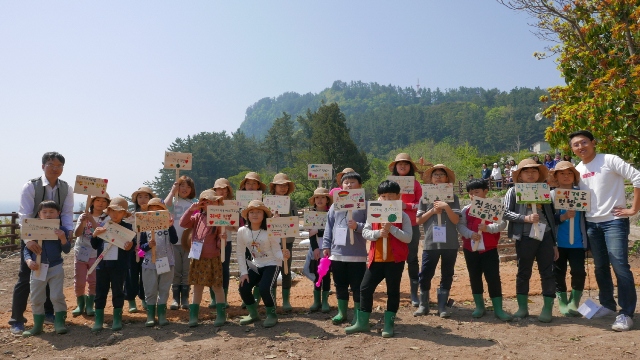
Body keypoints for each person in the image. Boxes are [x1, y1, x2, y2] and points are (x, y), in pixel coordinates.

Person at [570, 130, 640, 331]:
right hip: (592, 224)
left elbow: (637, 177)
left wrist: (634, 209)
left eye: (584, 142)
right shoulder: (577, 170)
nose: (581, 147)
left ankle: (626, 313)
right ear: (572, 149)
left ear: (593, 142)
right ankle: (608, 305)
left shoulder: (609, 160)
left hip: (614, 222)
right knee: (600, 267)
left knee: (620, 266)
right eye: (576, 144)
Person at [11, 152, 74, 336]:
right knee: (26, 277)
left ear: (62, 168)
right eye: (50, 164)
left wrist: (68, 231)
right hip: (32, 236)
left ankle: (48, 313)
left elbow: (68, 212)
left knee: (50, 273)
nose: (55, 168)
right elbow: (24, 215)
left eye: (59, 166)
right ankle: (17, 320)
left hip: (54, 236)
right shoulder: (31, 186)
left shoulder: (66, 188)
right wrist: (28, 240)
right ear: (42, 166)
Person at [346, 180, 412, 337]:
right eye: (383, 196)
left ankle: (389, 324)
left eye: (391, 196)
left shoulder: (403, 216)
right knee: (365, 288)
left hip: (395, 261)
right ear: (378, 198)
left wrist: (392, 228)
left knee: (393, 292)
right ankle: (362, 322)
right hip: (376, 259)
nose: (387, 199)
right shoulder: (374, 214)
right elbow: (365, 233)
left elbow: (408, 238)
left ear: (398, 197)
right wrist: (378, 234)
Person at [503, 159, 558, 323]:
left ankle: (547, 308)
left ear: (539, 174)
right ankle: (522, 307)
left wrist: (554, 242)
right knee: (523, 271)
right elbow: (504, 212)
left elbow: (550, 217)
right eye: (526, 171)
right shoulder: (513, 191)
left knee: (548, 271)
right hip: (525, 236)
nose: (530, 174)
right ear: (519, 175)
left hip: (545, 235)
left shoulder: (544, 190)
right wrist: (524, 218)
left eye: (534, 171)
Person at [456, 179, 511, 321]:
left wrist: (488, 228)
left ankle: (498, 308)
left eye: (476, 192)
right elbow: (460, 226)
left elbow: (502, 224)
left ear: (485, 191)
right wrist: (469, 234)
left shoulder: (494, 207)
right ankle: (479, 306)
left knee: (493, 277)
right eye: (470, 193)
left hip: (489, 248)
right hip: (470, 248)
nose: (473, 195)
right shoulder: (466, 210)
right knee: (474, 276)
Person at [413, 165, 460, 318]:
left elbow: (456, 220)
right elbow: (418, 220)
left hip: (450, 243)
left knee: (447, 273)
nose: (438, 177)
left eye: (442, 175)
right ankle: (423, 304)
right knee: (426, 273)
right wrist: (432, 211)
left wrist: (446, 207)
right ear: (431, 179)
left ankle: (442, 306)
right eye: (436, 175)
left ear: (447, 179)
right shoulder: (424, 198)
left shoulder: (454, 197)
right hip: (430, 242)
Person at [322, 172, 368, 325]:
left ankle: (357, 314)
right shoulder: (335, 205)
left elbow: (370, 227)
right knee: (339, 285)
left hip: (357, 255)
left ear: (360, 186)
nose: (349, 185)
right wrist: (326, 245)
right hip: (337, 254)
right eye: (346, 182)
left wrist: (357, 226)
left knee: (357, 286)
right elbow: (329, 226)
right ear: (341, 186)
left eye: (353, 182)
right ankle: (342, 313)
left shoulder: (364, 205)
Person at [237, 200, 290, 328]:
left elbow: (276, 250)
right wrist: (244, 273)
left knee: (264, 288)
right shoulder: (242, 231)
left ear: (264, 215)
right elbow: (240, 253)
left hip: (272, 263)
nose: (255, 215)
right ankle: (253, 314)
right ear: (247, 215)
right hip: (256, 264)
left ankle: (272, 315)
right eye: (252, 212)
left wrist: (283, 256)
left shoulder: (269, 230)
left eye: (259, 212)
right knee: (243, 287)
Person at [22, 201, 72, 337]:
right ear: (39, 214)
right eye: (44, 212)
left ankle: (60, 323)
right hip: (37, 268)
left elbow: (67, 250)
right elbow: (26, 249)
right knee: (37, 297)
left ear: (58, 214)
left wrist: (62, 238)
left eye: (51, 212)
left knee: (56, 296)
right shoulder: (33, 229)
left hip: (56, 267)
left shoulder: (62, 230)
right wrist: (28, 261)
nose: (48, 215)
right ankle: (37, 326)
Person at [179, 190, 227, 327]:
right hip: (197, 257)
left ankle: (221, 315)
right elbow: (183, 223)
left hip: (213, 258)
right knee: (197, 286)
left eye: (213, 201)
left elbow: (219, 242)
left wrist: (222, 240)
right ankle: (193, 316)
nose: (209, 204)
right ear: (201, 204)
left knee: (217, 287)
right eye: (206, 202)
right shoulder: (197, 217)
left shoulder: (219, 219)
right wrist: (191, 209)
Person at [547, 161, 587, 317]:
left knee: (578, 271)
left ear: (574, 176)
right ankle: (562, 302)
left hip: (578, 242)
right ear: (556, 176)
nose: (566, 176)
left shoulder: (581, 194)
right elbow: (548, 219)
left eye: (570, 173)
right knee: (558, 272)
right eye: (562, 173)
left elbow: (588, 217)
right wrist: (562, 217)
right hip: (558, 242)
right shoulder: (551, 195)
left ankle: (574, 302)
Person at [90, 197, 135, 332]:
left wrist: (130, 246)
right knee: (100, 292)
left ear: (124, 214)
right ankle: (99, 320)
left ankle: (117, 319)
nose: (115, 214)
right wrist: (95, 235)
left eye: (119, 212)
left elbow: (132, 247)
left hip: (119, 266)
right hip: (102, 265)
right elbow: (94, 245)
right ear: (108, 212)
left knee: (118, 291)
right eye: (112, 211)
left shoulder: (128, 228)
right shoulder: (103, 225)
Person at [388, 153, 423, 307]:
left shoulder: (416, 184)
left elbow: (421, 204)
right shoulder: (389, 183)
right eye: (399, 163)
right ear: (395, 166)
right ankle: (393, 292)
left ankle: (414, 293)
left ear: (410, 167)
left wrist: (406, 206)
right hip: (392, 225)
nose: (402, 166)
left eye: (406, 164)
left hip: (412, 225)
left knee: (412, 258)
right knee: (392, 258)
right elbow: (382, 200)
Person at [139, 198, 178, 327]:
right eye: (152, 209)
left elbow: (174, 240)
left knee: (164, 289)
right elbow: (140, 247)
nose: (155, 212)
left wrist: (171, 227)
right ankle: (150, 316)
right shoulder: (144, 227)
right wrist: (148, 245)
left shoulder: (168, 225)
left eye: (158, 209)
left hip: (167, 262)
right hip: (150, 262)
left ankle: (162, 315)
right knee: (150, 289)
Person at [72, 193, 111, 317]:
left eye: (104, 201)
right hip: (81, 252)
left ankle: (90, 305)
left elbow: (102, 234)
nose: (101, 203)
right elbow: (77, 234)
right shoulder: (83, 216)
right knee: (79, 279)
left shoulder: (107, 218)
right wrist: (83, 222)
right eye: (97, 200)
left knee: (94, 280)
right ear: (92, 202)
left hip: (97, 253)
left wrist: (91, 219)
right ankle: (80, 304)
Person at [164, 176, 196, 310]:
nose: (185, 189)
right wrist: (172, 191)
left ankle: (185, 298)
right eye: (182, 186)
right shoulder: (174, 201)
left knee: (187, 271)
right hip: (173, 241)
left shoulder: (194, 203)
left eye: (188, 187)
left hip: (189, 242)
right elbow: (165, 204)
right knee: (176, 271)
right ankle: (175, 298)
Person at [268, 173, 298, 312]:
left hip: (287, 241)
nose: (283, 188)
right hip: (271, 241)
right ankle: (272, 300)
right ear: (274, 187)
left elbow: (294, 220)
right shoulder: (267, 202)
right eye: (280, 185)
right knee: (272, 270)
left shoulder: (291, 203)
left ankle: (286, 301)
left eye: (286, 185)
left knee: (286, 268)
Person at [126, 186, 157, 313]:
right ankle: (131, 300)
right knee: (131, 274)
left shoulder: (154, 216)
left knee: (145, 274)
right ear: (136, 199)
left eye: (146, 197)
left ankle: (144, 298)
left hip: (147, 248)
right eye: (140, 197)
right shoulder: (131, 216)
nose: (143, 199)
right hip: (132, 250)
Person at [209, 178, 235, 309]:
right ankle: (213, 298)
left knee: (224, 269)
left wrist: (226, 225)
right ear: (215, 190)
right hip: (210, 242)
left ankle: (223, 298)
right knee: (212, 269)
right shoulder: (209, 204)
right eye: (219, 189)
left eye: (225, 189)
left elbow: (235, 226)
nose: (222, 191)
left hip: (226, 241)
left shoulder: (232, 205)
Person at [307, 187, 332, 313]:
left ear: (327, 200)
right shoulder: (311, 215)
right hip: (316, 249)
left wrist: (318, 230)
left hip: (329, 249)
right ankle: (316, 301)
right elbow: (310, 234)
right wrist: (315, 248)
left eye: (323, 197)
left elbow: (331, 231)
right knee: (317, 274)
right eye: (317, 197)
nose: (320, 200)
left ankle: (325, 301)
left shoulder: (331, 212)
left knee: (326, 274)